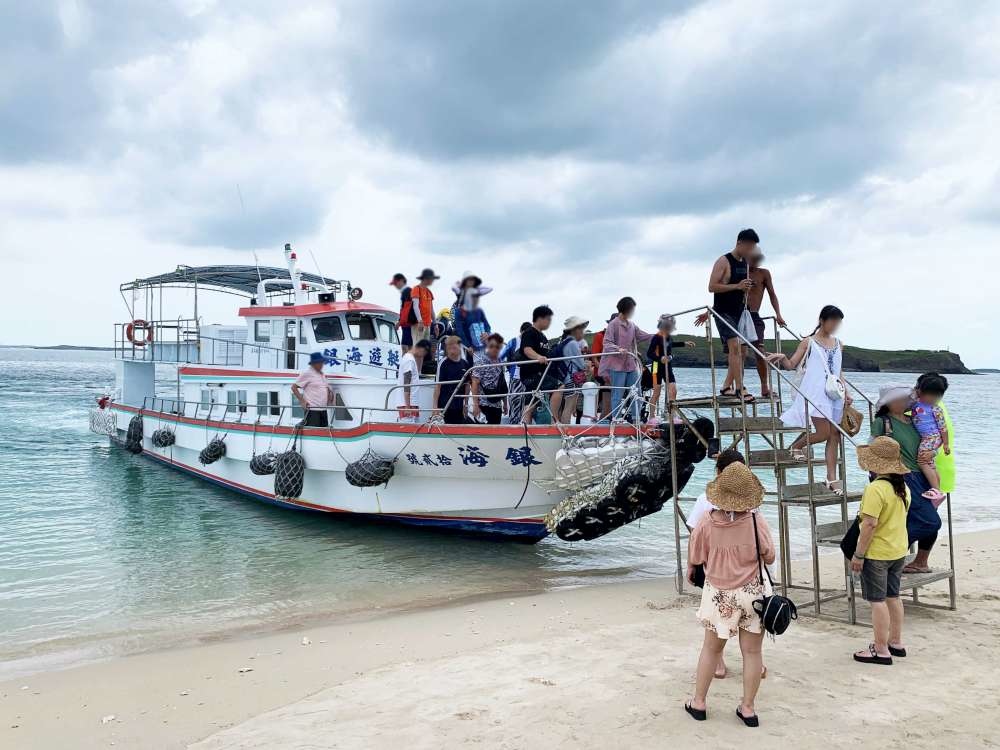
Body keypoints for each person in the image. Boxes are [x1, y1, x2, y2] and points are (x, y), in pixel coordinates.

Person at [685, 462, 775, 727]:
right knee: (752, 653)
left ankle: (699, 702)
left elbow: (697, 555)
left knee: (711, 650)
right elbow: (769, 556)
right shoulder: (756, 521)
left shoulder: (707, 521)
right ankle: (748, 709)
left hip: (719, 594)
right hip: (753, 592)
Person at [767, 305, 851, 495]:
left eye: (838, 322)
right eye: (833, 321)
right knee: (823, 433)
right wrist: (782, 357)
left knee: (834, 436)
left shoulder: (839, 343)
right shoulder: (809, 342)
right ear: (822, 320)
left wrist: (846, 392)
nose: (835, 325)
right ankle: (796, 446)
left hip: (834, 395)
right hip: (815, 394)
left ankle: (831, 477)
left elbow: (838, 371)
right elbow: (791, 365)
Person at [850, 436, 912, 665]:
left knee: (877, 600)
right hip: (897, 549)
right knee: (893, 596)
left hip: (877, 552)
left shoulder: (876, 489)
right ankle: (895, 642)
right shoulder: (902, 487)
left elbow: (869, 524)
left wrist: (858, 554)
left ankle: (881, 648)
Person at [871, 383, 943, 574]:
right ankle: (886, 557)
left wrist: (933, 452)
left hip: (923, 475)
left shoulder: (914, 420)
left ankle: (920, 562)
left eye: (906, 397)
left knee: (928, 521)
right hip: (901, 477)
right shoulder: (883, 422)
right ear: (889, 402)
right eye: (900, 398)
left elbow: (932, 439)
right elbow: (873, 452)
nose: (905, 400)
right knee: (930, 521)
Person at [703, 228, 759, 403]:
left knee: (743, 351)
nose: (751, 251)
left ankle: (726, 386)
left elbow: (741, 286)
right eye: (749, 247)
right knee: (734, 347)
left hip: (739, 311)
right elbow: (712, 286)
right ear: (739, 243)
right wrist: (737, 286)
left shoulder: (744, 263)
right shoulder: (723, 261)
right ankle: (740, 388)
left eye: (753, 248)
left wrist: (746, 287)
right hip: (723, 312)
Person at [598, 297, 653, 423]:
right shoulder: (613, 324)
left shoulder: (632, 325)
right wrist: (618, 349)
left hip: (631, 364)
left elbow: (642, 335)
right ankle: (616, 419)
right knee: (618, 394)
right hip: (617, 365)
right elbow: (606, 343)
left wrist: (657, 336)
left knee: (636, 392)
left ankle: (636, 419)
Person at [746, 250, 786, 398]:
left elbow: (772, 294)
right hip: (738, 315)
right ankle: (737, 387)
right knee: (737, 352)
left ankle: (765, 387)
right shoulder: (738, 272)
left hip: (754, 315)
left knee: (760, 352)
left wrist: (778, 314)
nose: (754, 263)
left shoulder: (764, 273)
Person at [910, 374, 951, 503]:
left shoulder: (935, 409)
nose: (934, 398)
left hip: (932, 437)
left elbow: (943, 428)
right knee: (930, 465)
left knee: (922, 461)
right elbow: (910, 406)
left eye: (937, 396)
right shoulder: (917, 404)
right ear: (921, 392)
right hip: (927, 438)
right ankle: (938, 491)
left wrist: (946, 444)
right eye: (931, 395)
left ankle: (935, 490)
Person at [646, 314, 696, 419]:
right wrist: (660, 358)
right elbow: (649, 353)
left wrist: (684, 343)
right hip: (656, 367)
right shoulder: (656, 337)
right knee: (657, 392)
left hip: (667, 367)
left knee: (673, 390)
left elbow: (671, 344)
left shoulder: (668, 337)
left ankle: (672, 414)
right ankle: (651, 416)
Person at [518, 305, 557, 424]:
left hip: (539, 373)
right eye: (548, 319)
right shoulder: (530, 332)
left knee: (532, 400)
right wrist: (538, 357)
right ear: (540, 318)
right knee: (559, 386)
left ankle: (526, 426)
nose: (550, 322)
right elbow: (527, 349)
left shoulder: (543, 336)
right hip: (532, 373)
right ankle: (555, 420)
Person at [548, 316, 589, 423]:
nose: (582, 331)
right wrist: (587, 365)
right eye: (580, 329)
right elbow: (581, 364)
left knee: (564, 407)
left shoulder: (564, 342)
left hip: (565, 378)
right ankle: (566, 431)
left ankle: (561, 428)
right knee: (568, 408)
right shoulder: (573, 343)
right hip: (572, 379)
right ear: (575, 330)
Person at [470, 333, 508, 424]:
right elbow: (474, 383)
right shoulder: (481, 361)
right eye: (492, 346)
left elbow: (502, 383)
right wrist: (475, 405)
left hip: (497, 406)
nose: (495, 348)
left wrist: (505, 404)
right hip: (484, 405)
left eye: (497, 346)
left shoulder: (500, 362)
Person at [433, 336, 471, 424]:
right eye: (449, 348)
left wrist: (466, 404)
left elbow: (467, 385)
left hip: (459, 406)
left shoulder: (465, 364)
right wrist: (435, 407)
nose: (451, 350)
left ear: (459, 347)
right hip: (445, 406)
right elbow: (437, 386)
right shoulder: (443, 363)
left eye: (453, 347)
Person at [501, 322, 531, 425]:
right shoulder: (513, 342)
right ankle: (513, 425)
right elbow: (501, 356)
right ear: (521, 331)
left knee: (526, 403)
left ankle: (523, 425)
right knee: (514, 402)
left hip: (528, 378)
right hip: (516, 377)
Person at [291, 352, 333, 427]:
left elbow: (325, 388)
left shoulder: (322, 374)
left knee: (323, 434)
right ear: (314, 364)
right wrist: (302, 401)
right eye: (320, 363)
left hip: (323, 410)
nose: (322, 365)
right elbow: (294, 387)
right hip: (312, 410)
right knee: (314, 433)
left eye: (322, 363)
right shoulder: (307, 373)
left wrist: (329, 396)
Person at [395, 339, 431, 421]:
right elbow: (406, 384)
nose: (423, 356)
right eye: (424, 353)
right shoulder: (409, 360)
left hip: (410, 403)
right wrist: (407, 406)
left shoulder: (408, 358)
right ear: (422, 349)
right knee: (409, 430)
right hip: (408, 404)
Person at [454, 283, 492, 358]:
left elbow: (487, 325)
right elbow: (460, 331)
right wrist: (468, 346)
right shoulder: (458, 311)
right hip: (469, 348)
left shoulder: (479, 310)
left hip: (483, 346)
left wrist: (487, 333)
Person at [591, 315, 615, 419]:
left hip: (616, 372)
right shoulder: (600, 336)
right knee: (608, 402)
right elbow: (594, 358)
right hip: (602, 372)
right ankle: (605, 419)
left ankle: (611, 417)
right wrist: (604, 372)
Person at [410, 268, 439, 345]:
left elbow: (431, 309)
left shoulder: (429, 292)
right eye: (432, 279)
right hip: (418, 324)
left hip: (427, 324)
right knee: (417, 347)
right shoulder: (416, 289)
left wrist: (435, 324)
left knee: (425, 349)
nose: (432, 281)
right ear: (426, 279)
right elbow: (415, 306)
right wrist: (420, 321)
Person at [390, 273, 413, 353]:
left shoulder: (407, 291)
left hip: (408, 323)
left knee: (405, 347)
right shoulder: (407, 291)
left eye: (396, 283)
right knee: (409, 346)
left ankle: (407, 364)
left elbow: (406, 309)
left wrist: (399, 322)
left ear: (402, 281)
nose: (395, 286)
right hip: (407, 323)